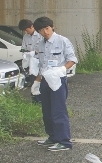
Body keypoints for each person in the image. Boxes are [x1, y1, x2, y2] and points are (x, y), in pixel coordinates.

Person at [32, 16, 78, 151]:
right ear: (39, 32)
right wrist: (37, 81)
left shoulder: (62, 41)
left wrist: (62, 69)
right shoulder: (40, 44)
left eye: (47, 28)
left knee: (58, 110)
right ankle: (52, 137)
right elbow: (42, 65)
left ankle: (64, 141)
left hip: (58, 80)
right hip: (45, 80)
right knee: (47, 110)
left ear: (52, 27)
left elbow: (72, 59)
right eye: (41, 30)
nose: (45, 32)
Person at [18, 19, 43, 103]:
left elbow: (42, 49)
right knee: (33, 81)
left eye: (26, 29)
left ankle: (42, 100)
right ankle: (35, 101)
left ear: (32, 26)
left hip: (40, 62)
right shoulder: (26, 37)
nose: (26, 31)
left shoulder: (40, 35)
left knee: (41, 81)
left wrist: (34, 52)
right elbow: (23, 49)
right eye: (24, 30)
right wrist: (26, 53)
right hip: (31, 63)